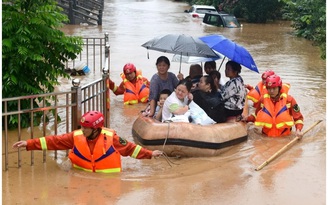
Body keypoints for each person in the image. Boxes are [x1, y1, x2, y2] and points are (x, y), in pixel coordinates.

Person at [12, 111, 163, 173]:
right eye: (82, 127)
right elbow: (54, 141)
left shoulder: (112, 138)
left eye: (86, 128)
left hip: (108, 181)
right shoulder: (76, 136)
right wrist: (29, 143)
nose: (83, 130)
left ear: (96, 129)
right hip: (79, 174)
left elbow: (131, 149)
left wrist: (150, 154)